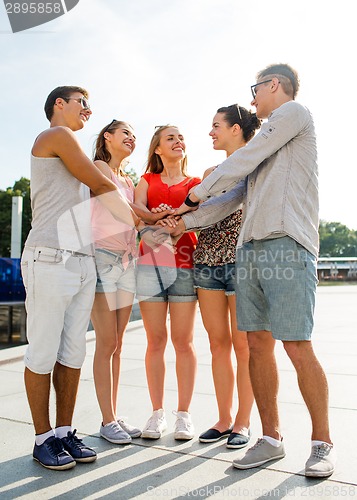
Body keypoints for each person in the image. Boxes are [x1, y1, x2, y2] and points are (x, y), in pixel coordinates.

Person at [170, 64, 335, 477]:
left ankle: (321, 444)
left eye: (255, 89)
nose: (252, 99)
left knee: (297, 344)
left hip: (286, 244)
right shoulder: (264, 144)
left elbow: (241, 160)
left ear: (274, 85)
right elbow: (230, 199)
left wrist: (192, 194)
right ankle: (270, 439)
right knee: (258, 346)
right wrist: (180, 219)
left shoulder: (293, 114)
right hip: (250, 249)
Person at [20, 87, 154, 470]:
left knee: (72, 353)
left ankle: (64, 432)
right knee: (43, 351)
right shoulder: (56, 137)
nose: (88, 109)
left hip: (82, 260)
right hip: (50, 256)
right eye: (81, 102)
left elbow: (106, 188)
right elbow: (101, 186)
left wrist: (145, 215)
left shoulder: (82, 154)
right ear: (59, 105)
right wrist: (137, 217)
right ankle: (43, 438)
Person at [194, 104, 261, 449]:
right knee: (217, 344)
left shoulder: (257, 161)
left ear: (235, 129)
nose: (211, 131)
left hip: (240, 261)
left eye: (216, 125)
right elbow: (201, 213)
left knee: (244, 345)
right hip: (207, 260)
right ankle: (223, 418)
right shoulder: (211, 170)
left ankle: (243, 421)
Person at [134, 125, 201, 440]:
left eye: (181, 137)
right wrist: (155, 219)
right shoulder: (146, 181)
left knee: (183, 342)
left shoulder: (196, 183)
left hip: (186, 265)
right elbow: (137, 219)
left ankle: (184, 415)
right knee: (156, 341)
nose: (179, 141)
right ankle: (156, 413)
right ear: (157, 149)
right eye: (171, 137)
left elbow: (201, 221)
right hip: (150, 266)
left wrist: (175, 218)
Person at [90, 120, 142, 445]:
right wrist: (148, 219)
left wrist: (154, 216)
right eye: (125, 132)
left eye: (134, 135)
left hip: (126, 261)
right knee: (106, 342)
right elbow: (123, 210)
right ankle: (106, 420)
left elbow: (134, 210)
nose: (131, 138)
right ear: (107, 137)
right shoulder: (98, 168)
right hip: (102, 257)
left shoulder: (128, 179)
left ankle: (114, 415)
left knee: (118, 344)